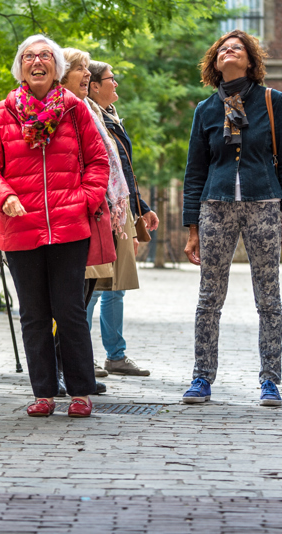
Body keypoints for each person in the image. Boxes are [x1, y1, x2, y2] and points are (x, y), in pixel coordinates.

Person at [0, 35, 109, 418]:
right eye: (29, 56)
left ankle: (81, 391)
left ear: (57, 67)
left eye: (46, 56)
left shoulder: (74, 110)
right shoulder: (1, 114)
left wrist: (84, 201)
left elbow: (98, 162)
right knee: (33, 313)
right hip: (20, 228)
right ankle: (43, 392)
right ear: (20, 67)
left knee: (69, 311)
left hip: (69, 227)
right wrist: (3, 197)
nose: (37, 61)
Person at [181, 30, 282, 407]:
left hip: (264, 203)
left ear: (250, 61)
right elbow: (194, 171)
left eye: (237, 48)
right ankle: (201, 378)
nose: (228, 52)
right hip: (214, 206)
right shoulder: (205, 110)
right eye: (222, 49)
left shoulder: (272, 101)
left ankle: (270, 380)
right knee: (208, 298)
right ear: (215, 63)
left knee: (268, 297)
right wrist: (192, 227)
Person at [61, 48, 131, 384]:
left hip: (98, 210)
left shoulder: (91, 110)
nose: (86, 73)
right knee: (73, 296)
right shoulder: (60, 109)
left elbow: (108, 161)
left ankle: (79, 367)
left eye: (88, 68)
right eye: (79, 68)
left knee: (91, 288)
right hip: (74, 212)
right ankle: (66, 368)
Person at [86, 59, 158, 377]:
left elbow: (122, 171)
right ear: (94, 86)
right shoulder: (89, 118)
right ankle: (80, 355)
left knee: (117, 286)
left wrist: (140, 208)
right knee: (92, 284)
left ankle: (115, 356)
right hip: (99, 211)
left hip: (120, 210)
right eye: (111, 79)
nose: (116, 84)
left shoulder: (112, 119)